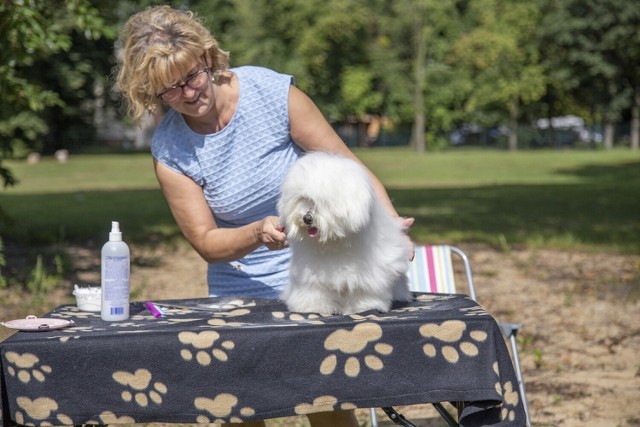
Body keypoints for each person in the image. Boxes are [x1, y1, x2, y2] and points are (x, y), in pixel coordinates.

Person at [116, 6, 413, 427]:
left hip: (319, 271)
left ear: (208, 57)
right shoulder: (170, 151)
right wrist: (256, 232)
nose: (188, 93)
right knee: (238, 403)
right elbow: (205, 241)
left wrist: (391, 227)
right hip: (241, 286)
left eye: (192, 76)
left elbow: (346, 165)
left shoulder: (270, 92)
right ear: (152, 93)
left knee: (325, 397)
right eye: (170, 89)